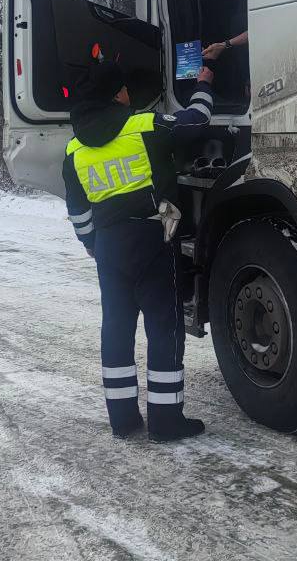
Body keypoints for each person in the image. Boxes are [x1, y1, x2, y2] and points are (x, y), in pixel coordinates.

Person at [63, 53, 216, 442]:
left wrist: (93, 244)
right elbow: (197, 122)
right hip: (151, 239)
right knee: (164, 327)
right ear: (117, 95)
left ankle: (123, 420)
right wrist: (204, 83)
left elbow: (79, 211)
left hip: (110, 246)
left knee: (116, 328)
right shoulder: (143, 125)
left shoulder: (74, 150)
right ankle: (166, 422)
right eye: (125, 88)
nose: (129, 93)